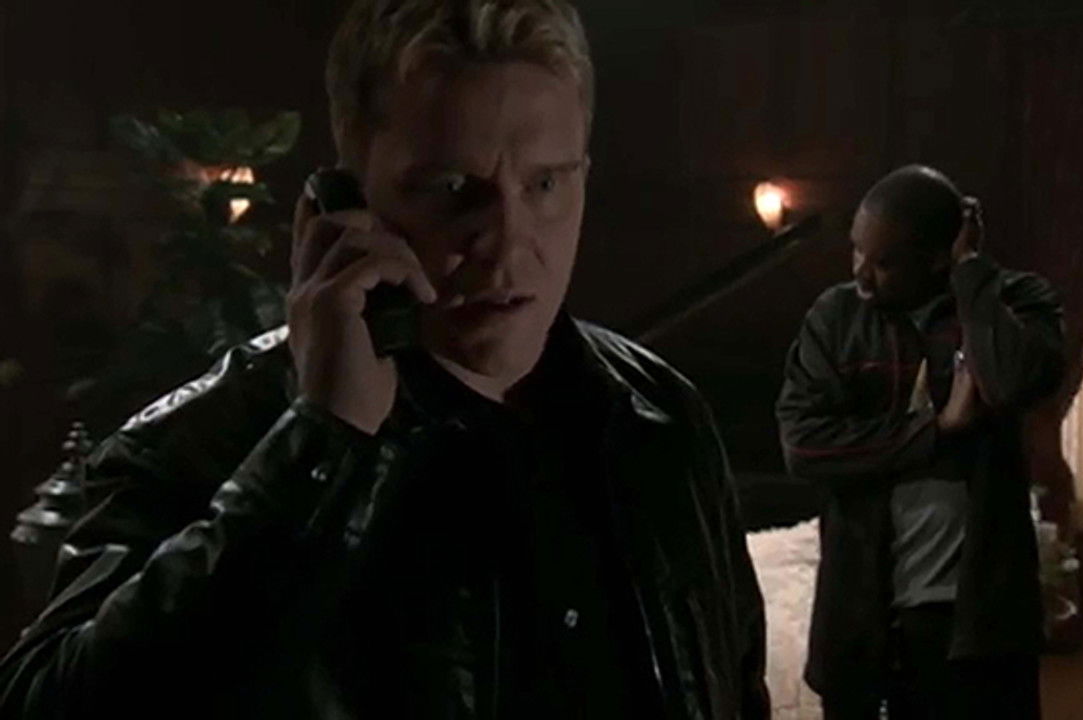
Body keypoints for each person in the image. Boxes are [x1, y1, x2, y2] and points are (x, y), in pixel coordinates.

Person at [0, 1, 769, 717]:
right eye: (453, 189)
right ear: (343, 202)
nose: (508, 242)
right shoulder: (201, 443)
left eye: (544, 184)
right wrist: (322, 445)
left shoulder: (658, 419)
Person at [776, 165, 1065, 719]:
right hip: (862, 611)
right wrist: (936, 431)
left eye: (884, 262)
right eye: (856, 251)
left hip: (978, 618)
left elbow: (1011, 382)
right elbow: (803, 445)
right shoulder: (837, 318)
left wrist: (971, 272)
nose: (861, 274)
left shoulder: (1016, 302)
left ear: (937, 258)